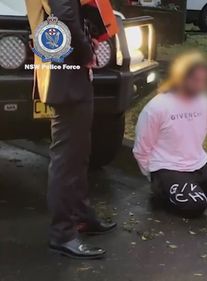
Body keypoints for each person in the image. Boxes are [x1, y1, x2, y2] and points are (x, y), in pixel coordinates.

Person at [25, 0, 116, 259]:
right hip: (64, 71)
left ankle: (81, 216)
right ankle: (63, 233)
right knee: (67, 157)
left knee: (78, 151)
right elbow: (65, 14)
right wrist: (87, 52)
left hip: (67, 69)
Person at [133, 52, 207, 218]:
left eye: (203, 80)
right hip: (167, 167)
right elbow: (141, 149)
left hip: (198, 163)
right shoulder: (157, 107)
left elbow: (199, 135)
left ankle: (193, 189)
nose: (200, 85)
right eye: (195, 80)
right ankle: (164, 192)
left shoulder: (204, 102)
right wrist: (154, 177)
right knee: (195, 207)